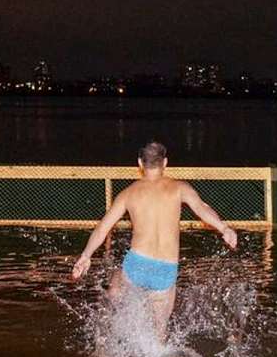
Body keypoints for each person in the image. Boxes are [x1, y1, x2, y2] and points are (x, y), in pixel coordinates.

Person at [71, 141, 237, 341]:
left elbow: (102, 229)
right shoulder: (179, 188)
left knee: (116, 284)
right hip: (166, 270)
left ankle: (109, 334)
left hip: (137, 264)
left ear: (140, 163)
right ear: (165, 163)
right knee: (159, 334)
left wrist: (85, 256)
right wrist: (224, 228)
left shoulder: (128, 193)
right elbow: (202, 209)